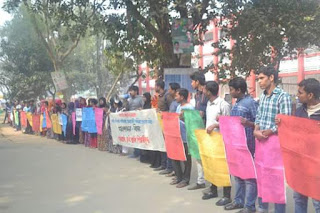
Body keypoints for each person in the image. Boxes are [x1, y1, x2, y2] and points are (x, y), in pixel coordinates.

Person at [276, 78, 320, 213]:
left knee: (317, 200)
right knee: (299, 197)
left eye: (300, 93)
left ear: (310, 95)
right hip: (301, 164)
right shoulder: (300, 112)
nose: (297, 95)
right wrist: (282, 124)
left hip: (317, 166)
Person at [254, 65, 292, 213]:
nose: (259, 81)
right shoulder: (262, 96)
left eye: (262, 78)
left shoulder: (283, 97)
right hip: (260, 140)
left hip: (275, 142)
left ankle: (279, 210)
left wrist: (270, 131)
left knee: (275, 177)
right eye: (258, 79)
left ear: (271, 78)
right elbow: (259, 115)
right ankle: (262, 208)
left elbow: (285, 122)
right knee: (261, 175)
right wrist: (256, 130)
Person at [224, 77, 258, 213]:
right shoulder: (237, 103)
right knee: (237, 174)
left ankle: (249, 206)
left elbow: (258, 123)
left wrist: (248, 123)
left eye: (232, 90)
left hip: (248, 146)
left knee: (249, 177)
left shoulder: (250, 103)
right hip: (235, 145)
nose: (230, 92)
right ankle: (238, 201)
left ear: (239, 90)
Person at [202, 80, 232, 206]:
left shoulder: (223, 104)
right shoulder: (208, 103)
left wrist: (215, 125)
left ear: (208, 91)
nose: (203, 91)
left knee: (224, 167)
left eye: (204, 89)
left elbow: (229, 122)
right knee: (212, 165)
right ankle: (213, 189)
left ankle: (227, 195)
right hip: (211, 140)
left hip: (221, 140)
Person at [188, 71, 208, 191]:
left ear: (197, 82)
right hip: (198, 128)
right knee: (198, 156)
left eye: (192, 81)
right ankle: (201, 180)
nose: (191, 83)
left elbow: (210, 108)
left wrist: (202, 113)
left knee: (207, 156)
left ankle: (212, 182)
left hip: (208, 128)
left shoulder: (207, 93)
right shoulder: (196, 95)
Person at [170, 88, 193, 188]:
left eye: (177, 96)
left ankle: (185, 179)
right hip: (177, 135)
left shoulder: (190, 108)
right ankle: (179, 176)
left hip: (186, 137)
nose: (175, 97)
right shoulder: (179, 106)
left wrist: (183, 117)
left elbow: (192, 122)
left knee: (186, 159)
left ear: (182, 97)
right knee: (176, 156)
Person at [154, 80, 174, 175]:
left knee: (168, 146)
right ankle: (163, 164)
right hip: (161, 124)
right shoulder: (160, 96)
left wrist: (164, 114)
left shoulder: (167, 96)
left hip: (167, 123)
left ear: (159, 86)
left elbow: (171, 109)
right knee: (162, 144)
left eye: (155, 86)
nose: (154, 88)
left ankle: (169, 167)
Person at [124, 85, 144, 157]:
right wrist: (125, 102)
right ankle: (135, 152)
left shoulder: (140, 99)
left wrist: (140, 109)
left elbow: (144, 108)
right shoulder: (129, 99)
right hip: (131, 120)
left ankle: (139, 153)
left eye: (131, 91)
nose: (130, 92)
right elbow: (127, 108)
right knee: (133, 135)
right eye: (130, 91)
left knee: (139, 136)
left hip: (138, 120)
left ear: (136, 91)